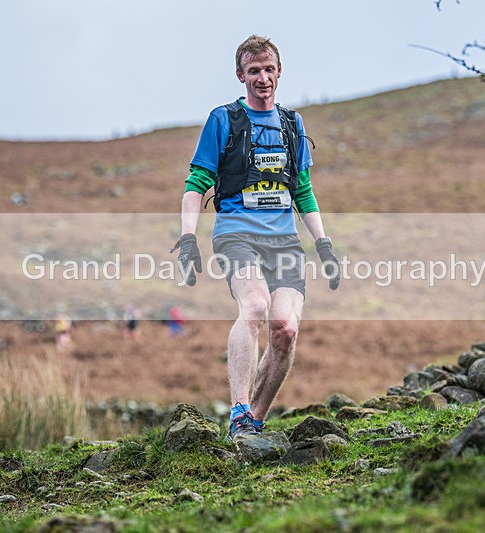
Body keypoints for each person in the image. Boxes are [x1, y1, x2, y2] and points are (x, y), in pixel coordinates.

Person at [173, 35, 341, 441]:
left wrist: (323, 243)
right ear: (240, 75)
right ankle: (238, 411)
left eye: (268, 69)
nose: (262, 78)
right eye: (253, 71)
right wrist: (188, 238)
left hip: (284, 242)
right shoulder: (224, 120)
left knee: (285, 327)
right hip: (237, 234)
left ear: (279, 71)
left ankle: (253, 426)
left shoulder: (291, 125)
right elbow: (197, 183)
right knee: (254, 307)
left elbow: (302, 190)